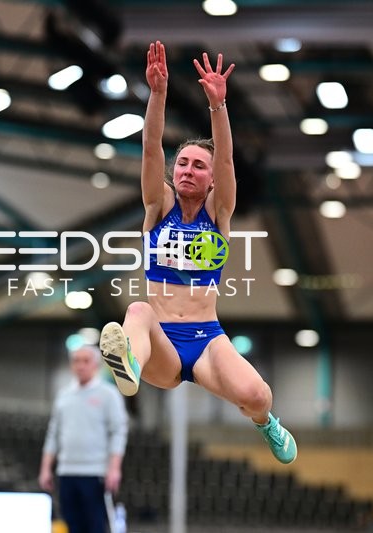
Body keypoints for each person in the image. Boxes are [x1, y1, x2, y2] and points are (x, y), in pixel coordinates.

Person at [99, 41, 297, 464]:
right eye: (183, 163)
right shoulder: (158, 208)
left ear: (210, 182)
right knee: (136, 310)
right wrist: (157, 94)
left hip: (207, 340)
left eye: (198, 166)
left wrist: (218, 107)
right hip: (161, 346)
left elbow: (227, 161)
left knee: (257, 395)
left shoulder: (218, 213)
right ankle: (128, 363)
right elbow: (151, 148)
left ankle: (266, 423)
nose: (188, 169)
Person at [39, 345, 129, 533]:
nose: (81, 365)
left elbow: (118, 432)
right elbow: (53, 434)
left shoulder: (109, 394)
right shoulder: (64, 396)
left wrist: (114, 468)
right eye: (76, 361)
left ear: (96, 365)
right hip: (66, 472)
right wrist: (46, 468)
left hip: (94, 474)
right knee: (72, 525)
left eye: (85, 361)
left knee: (95, 526)